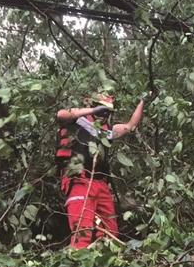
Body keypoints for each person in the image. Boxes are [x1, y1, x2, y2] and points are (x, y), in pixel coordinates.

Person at [55, 93, 145, 248]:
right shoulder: (76, 121)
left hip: (100, 184)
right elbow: (60, 114)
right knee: (82, 230)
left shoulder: (106, 132)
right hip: (79, 180)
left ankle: (106, 265)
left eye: (106, 112)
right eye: (100, 110)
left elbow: (129, 126)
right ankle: (77, 266)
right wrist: (92, 110)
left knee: (110, 233)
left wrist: (143, 100)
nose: (102, 115)